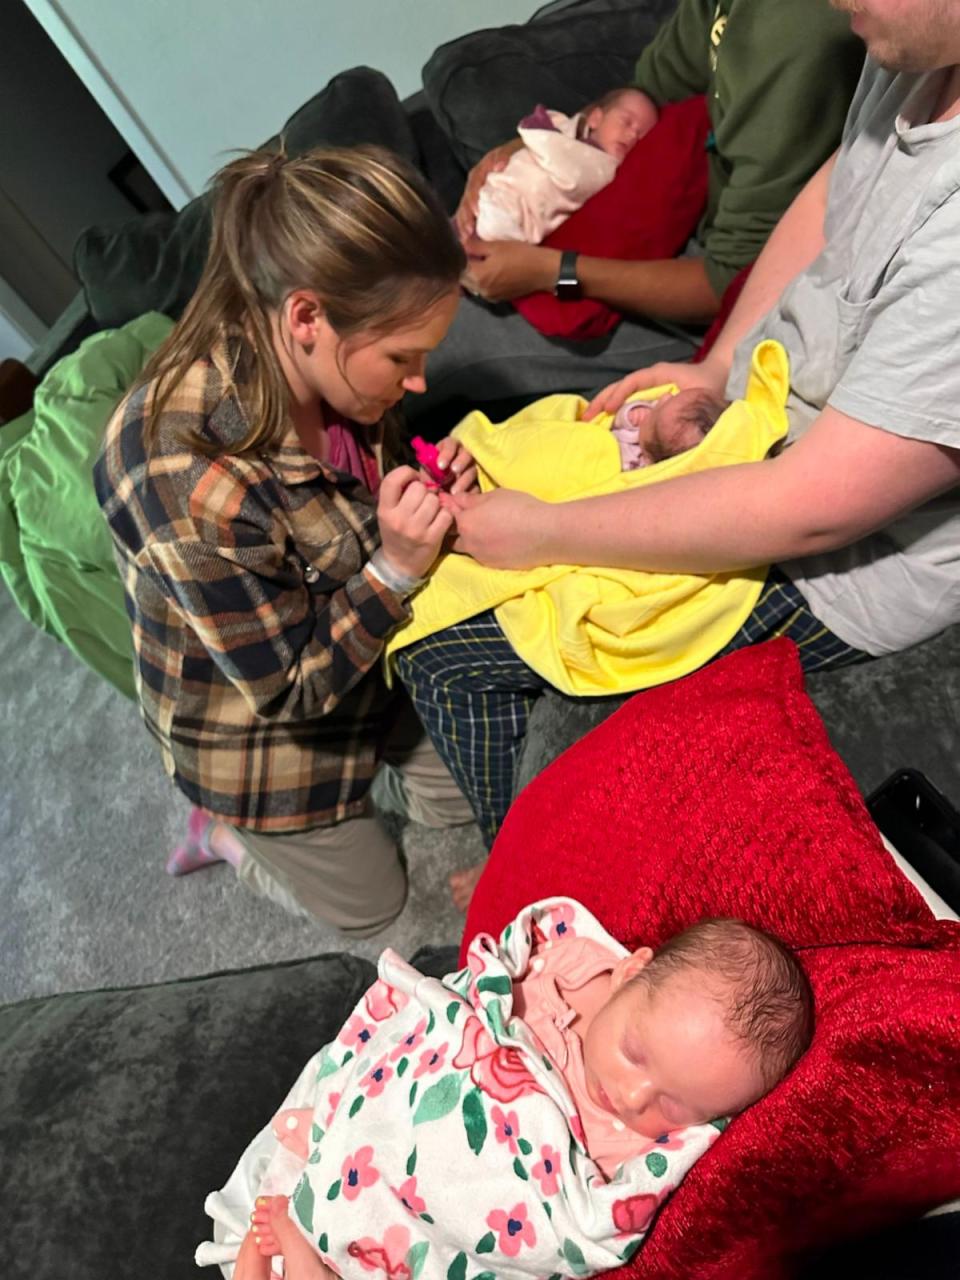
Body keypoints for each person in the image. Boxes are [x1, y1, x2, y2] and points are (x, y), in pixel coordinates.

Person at [394, 2, 960, 910]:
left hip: (832, 559)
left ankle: (525, 897)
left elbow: (814, 504)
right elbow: (831, 192)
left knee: (445, 650)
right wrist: (715, 360)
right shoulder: (909, 49)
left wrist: (546, 533)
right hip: (757, 405)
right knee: (496, 458)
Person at [94, 145, 479, 938]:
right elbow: (287, 691)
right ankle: (228, 838)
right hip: (263, 733)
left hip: (358, 647)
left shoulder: (320, 357)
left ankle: (378, 778)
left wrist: (421, 476)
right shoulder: (179, 473)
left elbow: (368, 474)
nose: (419, 382)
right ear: (307, 318)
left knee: (458, 798)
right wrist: (399, 566)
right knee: (381, 910)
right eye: (403, 358)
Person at [197, 904, 812, 1280]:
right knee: (370, 1114)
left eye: (673, 1105)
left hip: (476, 1176)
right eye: (635, 1053)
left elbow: (577, 1226)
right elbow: (490, 977)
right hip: (422, 1091)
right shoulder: (576, 970)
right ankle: (337, 1142)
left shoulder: (638, 1151)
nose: (631, 1096)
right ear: (631, 971)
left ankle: (322, 1244)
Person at [409, 0, 863, 426]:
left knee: (444, 337)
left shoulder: (797, 40)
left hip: (724, 294)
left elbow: (726, 279)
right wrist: (541, 144)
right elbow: (650, 87)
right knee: (413, 275)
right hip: (673, 210)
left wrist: (555, 271)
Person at [474, 89, 658, 244]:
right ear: (595, 118)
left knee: (490, 233)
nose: (633, 134)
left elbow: (574, 179)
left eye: (642, 135)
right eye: (626, 122)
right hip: (501, 190)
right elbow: (544, 144)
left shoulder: (606, 170)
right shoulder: (564, 133)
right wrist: (545, 132)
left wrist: (542, 134)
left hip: (517, 219)